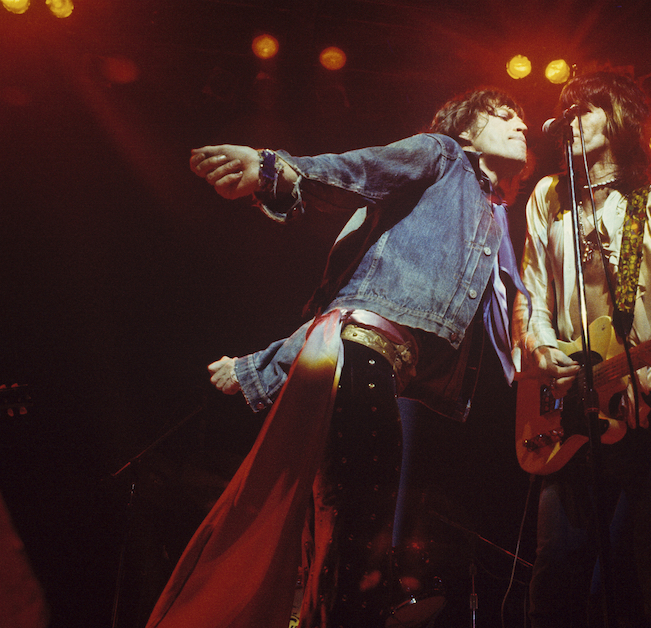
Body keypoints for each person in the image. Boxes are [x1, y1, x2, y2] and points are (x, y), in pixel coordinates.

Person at [146, 87, 530, 628]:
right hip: (362, 355)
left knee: (347, 516)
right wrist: (273, 169)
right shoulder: (442, 154)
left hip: (376, 361)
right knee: (360, 521)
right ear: (467, 130)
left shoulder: (493, 213)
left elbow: (502, 313)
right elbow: (362, 172)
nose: (520, 124)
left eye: (523, 119)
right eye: (504, 114)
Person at [513, 71, 651, 628]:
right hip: (572, 411)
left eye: (586, 107)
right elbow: (531, 296)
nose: (572, 118)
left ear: (622, 118)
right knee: (554, 577)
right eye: (567, 110)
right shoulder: (548, 198)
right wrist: (538, 352)